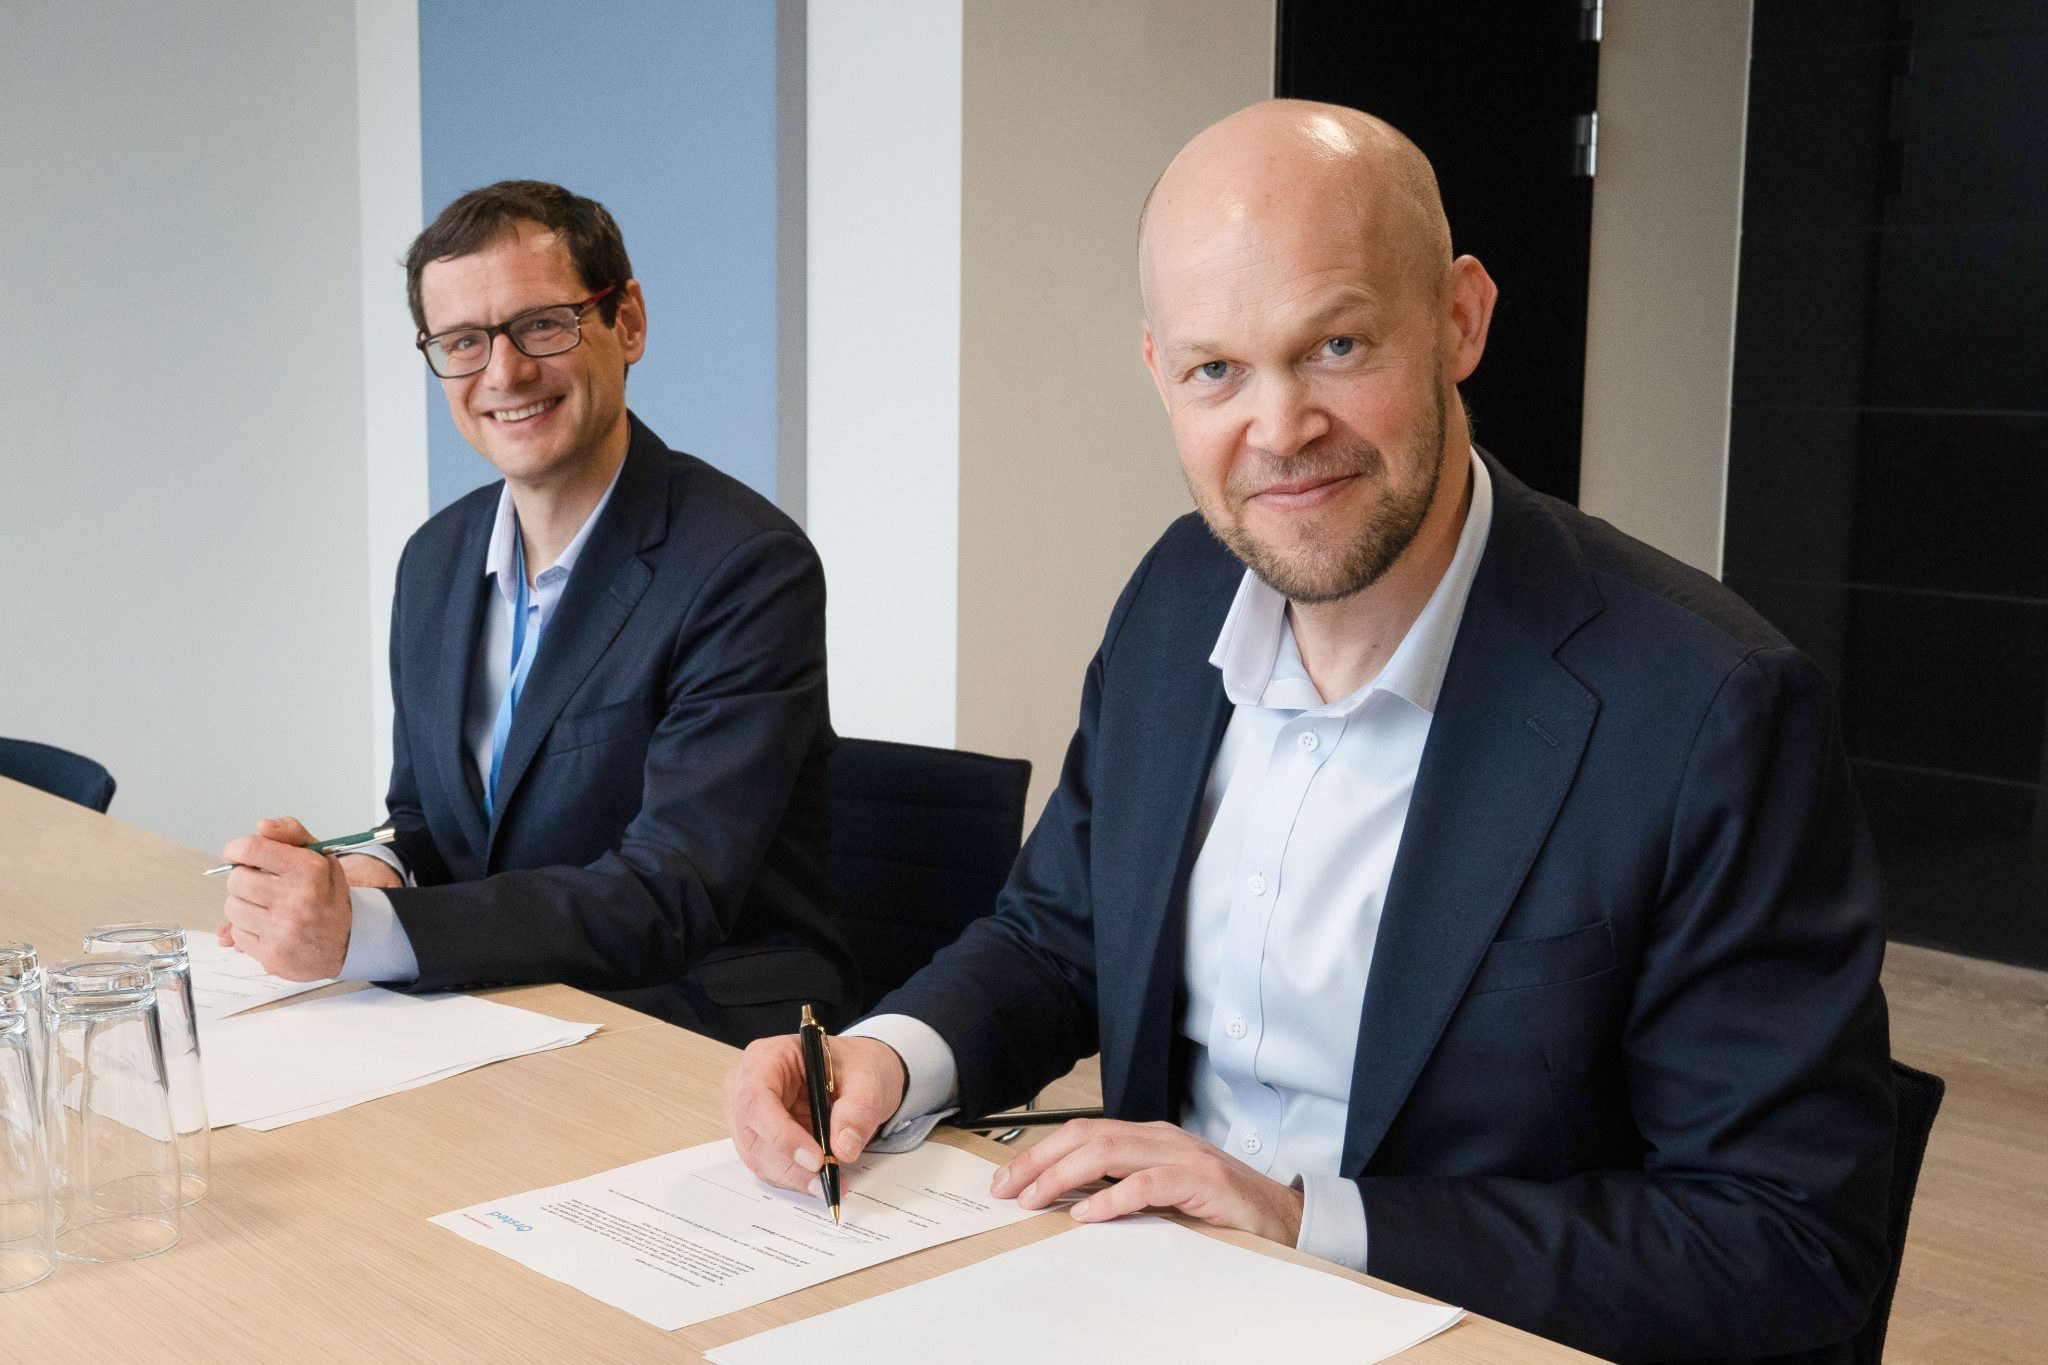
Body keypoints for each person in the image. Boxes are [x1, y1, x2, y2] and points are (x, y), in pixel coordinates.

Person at [723, 103, 1894, 1361]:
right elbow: (1061, 934)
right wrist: (887, 1060)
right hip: (1139, 1307)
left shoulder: (1706, 707)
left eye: (1335, 345)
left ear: (1460, 318)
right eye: (1214, 371)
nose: (1278, 430)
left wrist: (1298, 1223)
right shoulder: (1176, 597)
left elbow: (1781, 1238)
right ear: (1158, 372)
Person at [217, 181, 858, 1044]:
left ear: (627, 322)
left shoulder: (745, 567)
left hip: (695, 1023)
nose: (504, 373)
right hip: (503, 1004)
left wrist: (366, 931)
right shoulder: (434, 560)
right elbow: (426, 819)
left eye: (542, 325)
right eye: (463, 341)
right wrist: (365, 872)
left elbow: (669, 894)